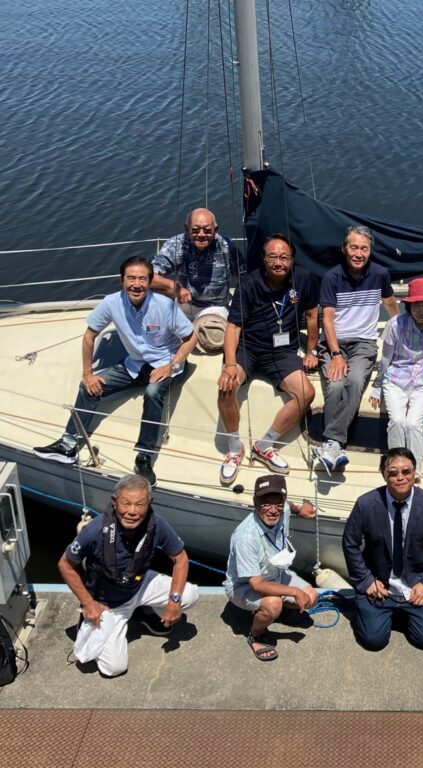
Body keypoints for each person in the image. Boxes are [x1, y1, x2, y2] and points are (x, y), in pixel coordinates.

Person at [33, 256, 196, 486]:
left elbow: (191, 337)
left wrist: (171, 365)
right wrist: (88, 373)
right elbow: (90, 335)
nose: (136, 284)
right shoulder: (111, 303)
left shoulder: (165, 306)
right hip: (134, 364)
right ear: (122, 281)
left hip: (167, 363)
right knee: (88, 387)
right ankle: (68, 444)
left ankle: (144, 456)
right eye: (131, 278)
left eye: (142, 279)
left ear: (150, 282)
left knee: (152, 393)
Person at [56, 474, 199, 677]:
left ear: (149, 503)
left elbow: (181, 559)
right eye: (126, 503)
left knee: (190, 595)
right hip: (109, 603)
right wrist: (88, 603)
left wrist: (174, 601)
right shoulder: (94, 530)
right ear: (114, 502)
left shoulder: (157, 524)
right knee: (113, 668)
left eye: (140, 505)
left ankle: (143, 612)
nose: (132, 511)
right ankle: (94, 618)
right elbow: (65, 565)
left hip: (139, 584)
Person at [217, 234, 319, 482]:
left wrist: (311, 351)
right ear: (263, 259)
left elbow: (312, 316)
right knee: (226, 387)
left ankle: (265, 445)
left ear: (292, 259)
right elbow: (233, 327)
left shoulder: (304, 278)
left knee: (306, 393)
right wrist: (229, 364)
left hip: (282, 351)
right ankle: (234, 449)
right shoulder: (248, 283)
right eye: (272, 257)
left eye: (284, 257)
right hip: (248, 347)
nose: (278, 262)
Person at [342, 447, 423, 651]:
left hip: (416, 583)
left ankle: (397, 613)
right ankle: (378, 613)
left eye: (406, 471)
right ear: (384, 475)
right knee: (374, 641)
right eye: (393, 473)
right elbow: (350, 544)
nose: (400, 477)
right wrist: (366, 581)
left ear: (414, 472)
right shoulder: (366, 504)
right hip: (379, 585)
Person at [317, 225, 399, 471]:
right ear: (344, 248)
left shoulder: (380, 274)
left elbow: (389, 302)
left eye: (364, 249)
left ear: (370, 251)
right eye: (354, 247)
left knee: (353, 382)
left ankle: (331, 442)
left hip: (364, 342)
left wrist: (401, 331)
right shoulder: (332, 277)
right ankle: (335, 442)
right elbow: (327, 319)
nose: (359, 254)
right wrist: (336, 355)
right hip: (334, 342)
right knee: (335, 385)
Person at [224, 474, 319, 661]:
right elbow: (257, 585)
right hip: (244, 586)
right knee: (273, 604)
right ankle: (256, 634)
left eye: (278, 503)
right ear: (255, 502)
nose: (273, 510)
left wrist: (300, 509)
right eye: (266, 503)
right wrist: (294, 592)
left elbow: (288, 505)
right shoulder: (245, 537)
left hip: (276, 574)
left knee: (312, 597)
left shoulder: (283, 509)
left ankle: (277, 610)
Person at [368, 277, 423, 475]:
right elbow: (386, 358)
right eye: (416, 305)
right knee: (397, 421)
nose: (422, 310)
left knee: (414, 424)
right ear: (409, 306)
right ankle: (396, 467)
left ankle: (414, 471)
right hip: (396, 379)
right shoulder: (394, 324)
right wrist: (377, 386)